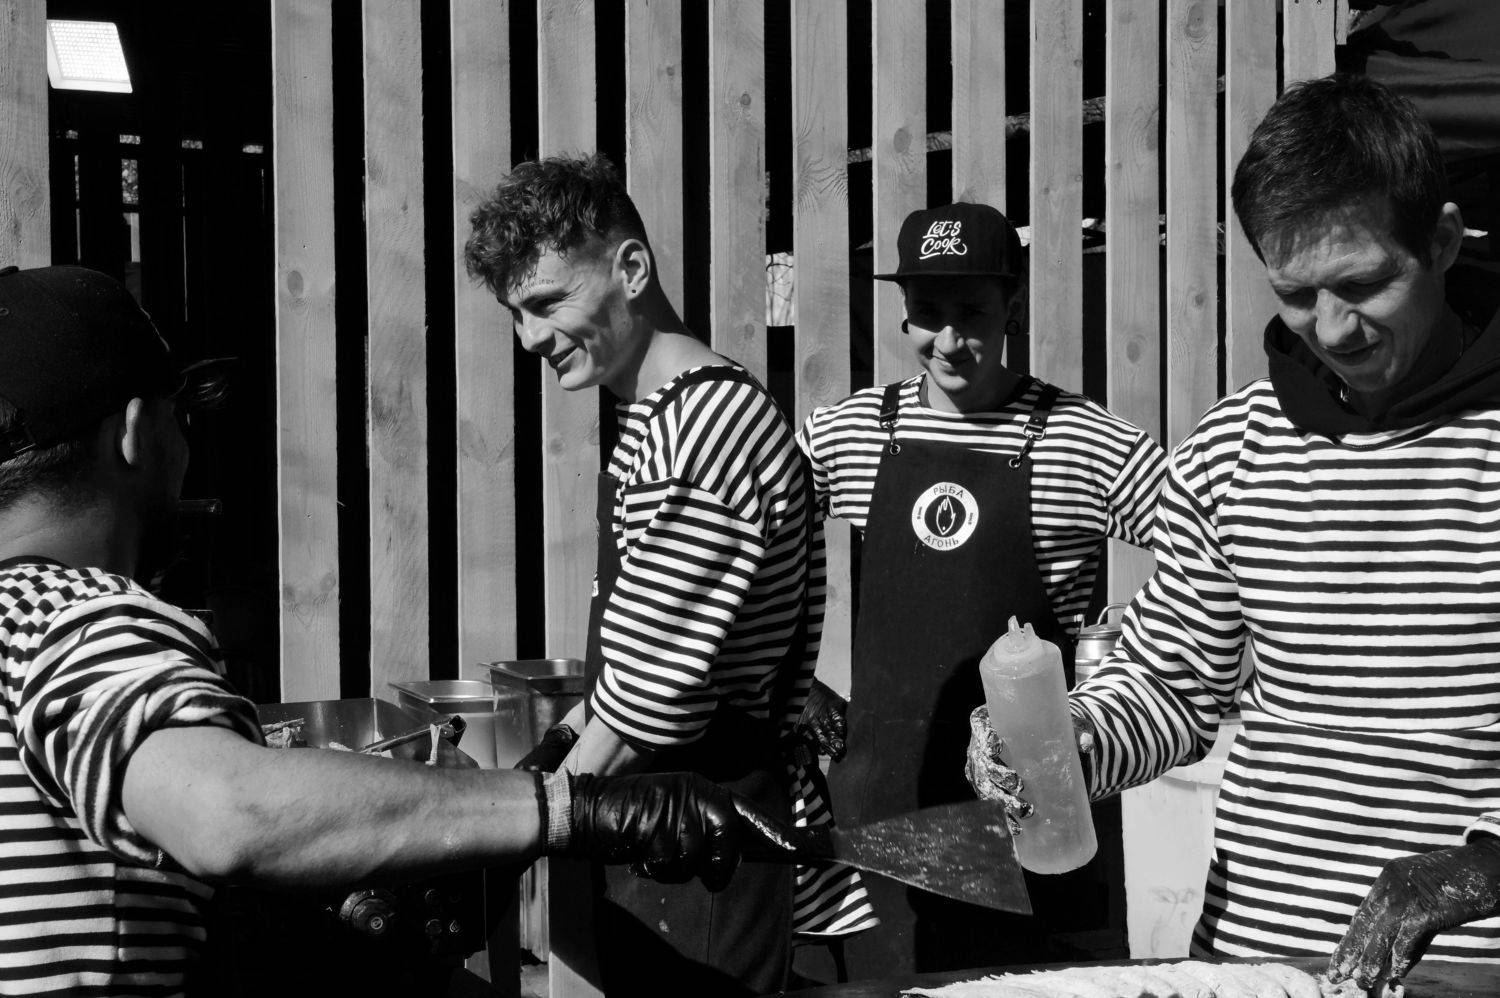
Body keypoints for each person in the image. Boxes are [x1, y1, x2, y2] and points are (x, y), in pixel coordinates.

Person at [0, 263, 751, 997]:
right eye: (179, 419)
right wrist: (565, 810)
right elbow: (225, 809)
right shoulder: (76, 615)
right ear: (135, 433)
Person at [967, 73, 1500, 993]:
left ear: (1444, 241)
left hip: (1462, 971)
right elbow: (1171, 687)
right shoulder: (1233, 447)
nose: (1333, 329)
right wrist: (1067, 744)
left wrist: (1485, 869)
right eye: (1295, 293)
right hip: (1256, 961)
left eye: (1363, 284)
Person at [464, 152, 870, 996]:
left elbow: (652, 698)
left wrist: (518, 823)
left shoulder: (705, 427)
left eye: (548, 303)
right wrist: (555, 750)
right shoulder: (660, 419)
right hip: (659, 822)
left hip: (703, 835)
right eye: (516, 315)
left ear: (632, 269)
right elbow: (634, 665)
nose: (530, 339)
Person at [796, 201, 1168, 977]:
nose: (949, 339)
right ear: (904, 313)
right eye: (928, 313)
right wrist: (790, 686)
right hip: (881, 820)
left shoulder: (1083, 440)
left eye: (972, 313)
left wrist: (1132, 657)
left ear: (1013, 306)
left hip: (1030, 826)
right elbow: (746, 535)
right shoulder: (849, 433)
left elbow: (1212, 546)